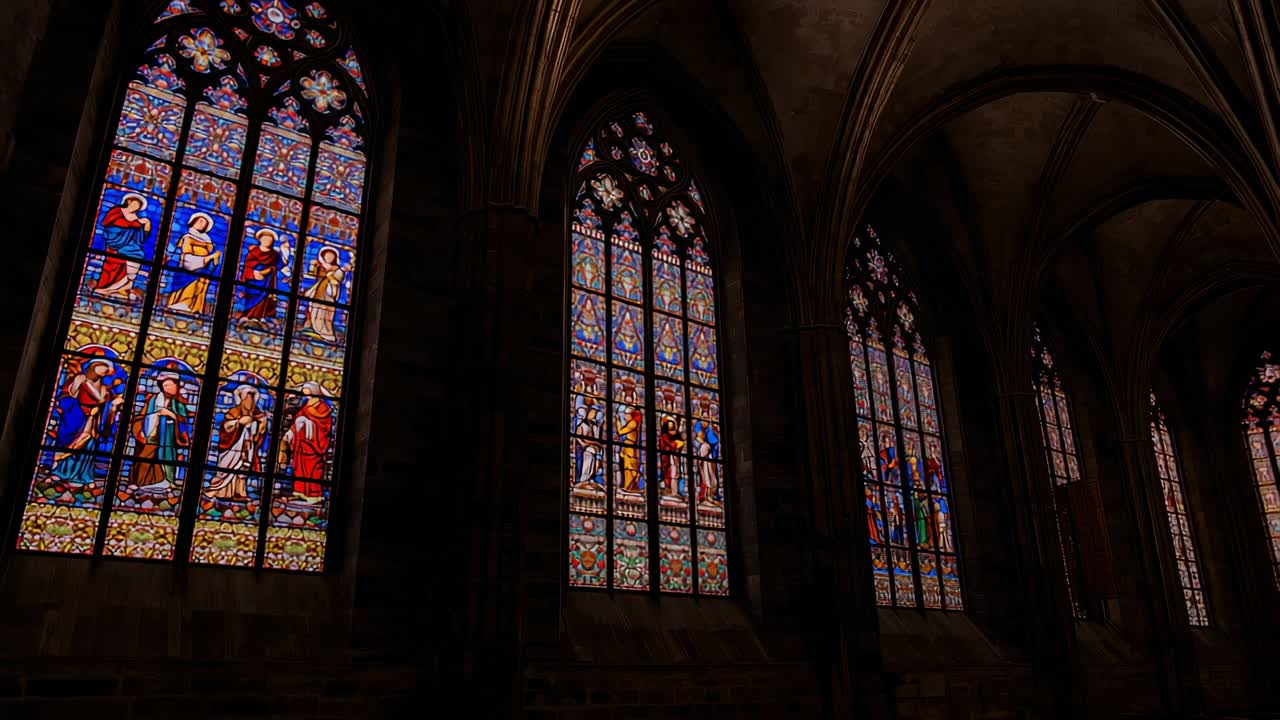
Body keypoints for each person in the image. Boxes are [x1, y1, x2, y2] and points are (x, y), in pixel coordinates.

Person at [49, 359, 124, 484]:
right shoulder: (81, 380)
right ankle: (62, 471)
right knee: (73, 443)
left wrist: (114, 406)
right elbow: (69, 397)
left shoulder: (105, 388)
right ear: (93, 367)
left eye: (106, 368)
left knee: (88, 447)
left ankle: (82, 474)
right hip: (77, 418)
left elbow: (107, 405)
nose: (104, 369)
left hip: (94, 421)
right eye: (101, 366)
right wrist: (77, 383)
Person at [130, 372, 190, 496]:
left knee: (166, 456)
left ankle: (166, 480)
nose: (168, 388)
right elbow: (142, 415)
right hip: (151, 433)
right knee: (145, 456)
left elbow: (183, 422)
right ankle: (141, 481)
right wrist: (152, 418)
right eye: (165, 385)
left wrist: (171, 414)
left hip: (169, 437)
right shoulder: (152, 400)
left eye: (171, 385)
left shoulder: (178, 403)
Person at [207, 384, 267, 500]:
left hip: (247, 448)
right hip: (231, 448)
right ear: (240, 399)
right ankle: (223, 492)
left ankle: (240, 492)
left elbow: (258, 437)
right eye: (246, 399)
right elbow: (225, 428)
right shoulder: (233, 412)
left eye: (251, 400)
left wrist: (261, 427)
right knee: (227, 468)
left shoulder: (258, 415)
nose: (249, 403)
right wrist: (238, 422)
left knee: (242, 470)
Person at [279, 381, 333, 499]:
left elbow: (325, 426)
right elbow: (298, 421)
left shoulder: (323, 407)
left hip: (315, 445)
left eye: (308, 392)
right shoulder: (307, 405)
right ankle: (299, 493)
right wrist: (291, 433)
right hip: (302, 444)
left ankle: (314, 496)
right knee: (300, 469)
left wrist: (309, 424)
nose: (307, 395)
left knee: (313, 470)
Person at [95, 194, 151, 298]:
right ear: (128, 201)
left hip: (128, 245)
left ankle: (124, 286)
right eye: (135, 203)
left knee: (139, 254)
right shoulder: (117, 210)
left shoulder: (135, 218)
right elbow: (109, 223)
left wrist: (147, 226)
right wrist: (134, 224)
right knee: (129, 257)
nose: (135, 207)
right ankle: (106, 288)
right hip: (115, 243)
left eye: (138, 206)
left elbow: (139, 238)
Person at [167, 212, 221, 313]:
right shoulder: (187, 237)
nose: (201, 224)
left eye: (204, 223)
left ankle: (195, 307)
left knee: (200, 286)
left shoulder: (209, 241)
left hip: (203, 270)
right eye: (200, 221)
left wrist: (214, 260)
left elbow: (214, 262)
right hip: (188, 269)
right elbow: (186, 256)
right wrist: (207, 258)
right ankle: (183, 303)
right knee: (189, 285)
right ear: (193, 222)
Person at [299, 246, 351, 342]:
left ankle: (326, 334)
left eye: (331, 256)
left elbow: (337, 282)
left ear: (335, 258)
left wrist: (330, 276)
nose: (328, 258)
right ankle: (313, 329)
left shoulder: (339, 270)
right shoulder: (321, 268)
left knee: (326, 313)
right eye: (326, 256)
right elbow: (317, 281)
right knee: (313, 310)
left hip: (329, 294)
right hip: (318, 293)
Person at [236, 228, 282, 322]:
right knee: (251, 299)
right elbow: (247, 266)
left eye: (270, 240)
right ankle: (248, 315)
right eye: (265, 239)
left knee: (264, 299)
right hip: (253, 282)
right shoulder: (253, 252)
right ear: (260, 239)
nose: (267, 242)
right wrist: (253, 273)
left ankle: (260, 318)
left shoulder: (275, 254)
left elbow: (279, 266)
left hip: (267, 282)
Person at [573, 395, 604, 490]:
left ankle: (590, 478)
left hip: (592, 448)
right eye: (592, 413)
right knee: (589, 455)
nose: (593, 415)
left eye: (595, 414)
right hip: (584, 448)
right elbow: (578, 437)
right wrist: (587, 444)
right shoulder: (582, 425)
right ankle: (583, 479)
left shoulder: (594, 426)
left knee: (595, 458)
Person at [615, 405, 643, 493]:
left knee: (630, 467)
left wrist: (618, 422)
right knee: (626, 466)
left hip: (630, 447)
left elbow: (621, 431)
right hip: (627, 446)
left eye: (627, 414)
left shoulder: (633, 423)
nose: (625, 416)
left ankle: (629, 487)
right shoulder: (632, 422)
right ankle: (630, 486)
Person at [658, 416, 685, 497]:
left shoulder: (676, 436)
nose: (672, 431)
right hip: (667, 458)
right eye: (670, 428)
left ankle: (674, 491)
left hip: (674, 458)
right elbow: (668, 445)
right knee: (668, 473)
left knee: (674, 474)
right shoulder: (664, 436)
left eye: (673, 428)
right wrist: (673, 445)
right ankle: (668, 489)